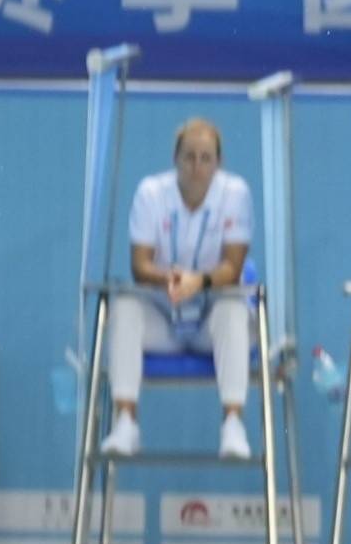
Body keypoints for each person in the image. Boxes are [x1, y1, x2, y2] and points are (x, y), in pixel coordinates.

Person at [104, 118, 256, 464]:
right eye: (189, 157)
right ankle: (126, 421)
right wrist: (169, 280)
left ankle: (233, 423)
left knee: (233, 308)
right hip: (164, 313)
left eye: (206, 158)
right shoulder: (150, 193)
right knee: (125, 304)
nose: (197, 167)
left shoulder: (235, 194)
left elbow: (233, 268)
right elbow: (139, 265)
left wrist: (197, 282)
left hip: (210, 320)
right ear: (175, 158)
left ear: (218, 163)